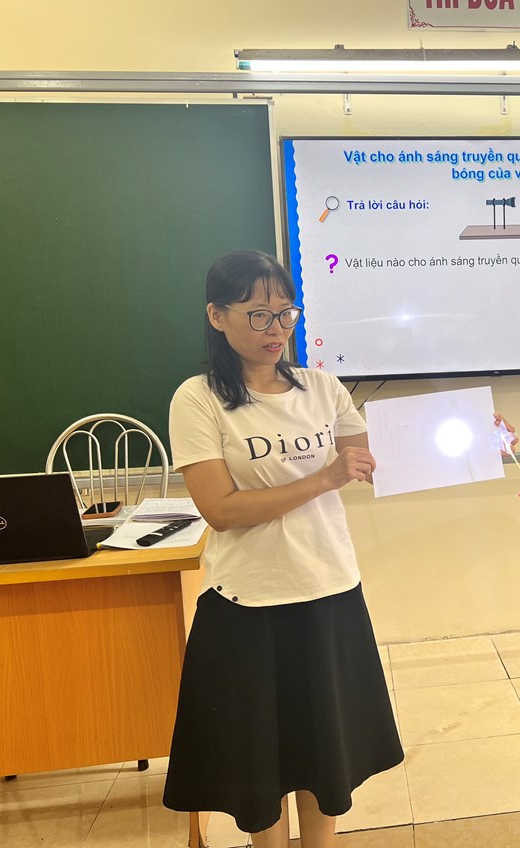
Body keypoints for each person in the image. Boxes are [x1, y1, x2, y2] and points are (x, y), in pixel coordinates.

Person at [162, 249, 403, 848]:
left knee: (325, 756)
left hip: (329, 591)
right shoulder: (198, 398)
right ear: (217, 316)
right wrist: (324, 478)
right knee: (260, 762)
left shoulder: (321, 387)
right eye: (258, 315)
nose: (276, 329)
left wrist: (475, 434)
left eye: (285, 313)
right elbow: (221, 509)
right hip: (248, 602)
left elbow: (376, 458)